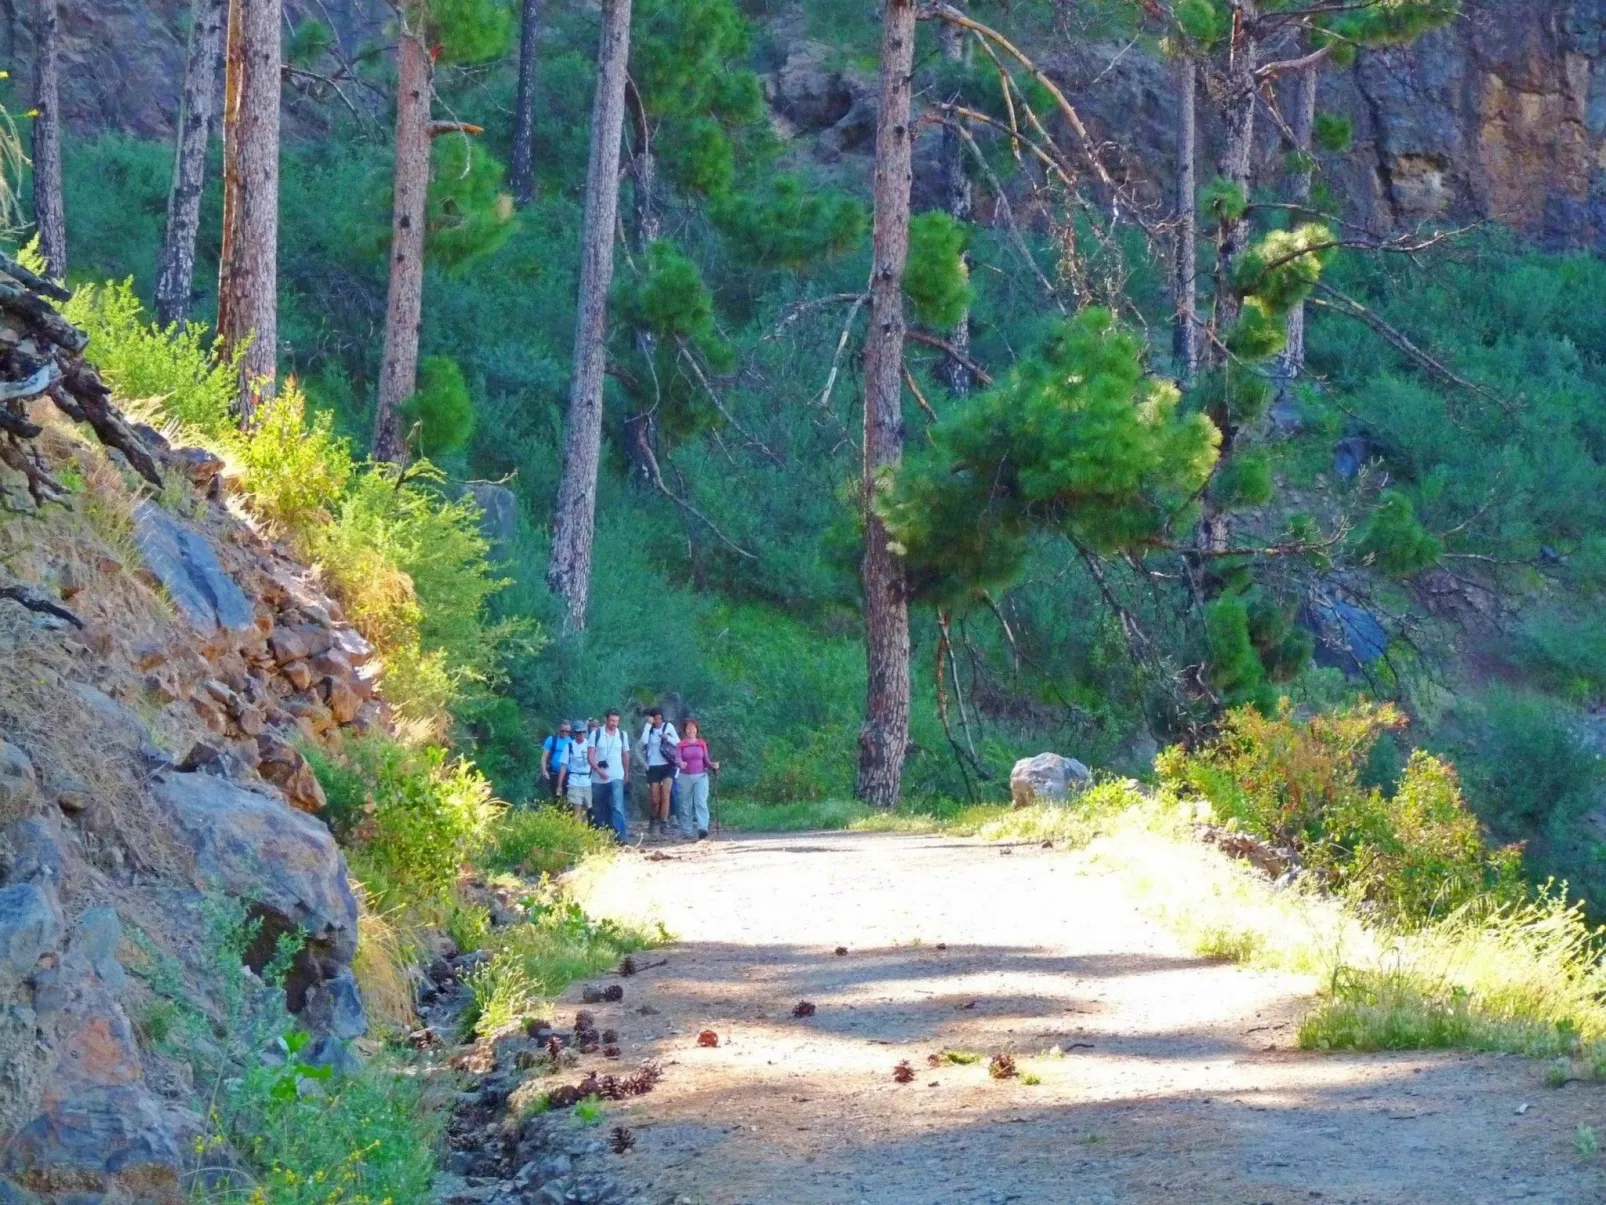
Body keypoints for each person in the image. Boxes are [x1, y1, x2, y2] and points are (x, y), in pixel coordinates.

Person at [674, 716, 719, 840]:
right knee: (685, 805)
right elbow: (677, 758)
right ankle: (687, 831)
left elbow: (706, 760)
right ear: (685, 730)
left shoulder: (701, 743)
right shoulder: (680, 744)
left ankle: (702, 828)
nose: (691, 731)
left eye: (693, 728)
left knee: (700, 801)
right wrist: (681, 763)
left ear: (696, 729)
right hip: (684, 777)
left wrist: (713, 765)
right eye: (688, 728)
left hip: (701, 776)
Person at [588, 709, 630, 842]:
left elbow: (625, 755)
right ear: (606, 719)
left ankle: (621, 837)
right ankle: (601, 836)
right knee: (599, 807)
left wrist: (626, 773)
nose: (614, 723)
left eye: (616, 721)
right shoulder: (596, 734)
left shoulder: (622, 735)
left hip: (616, 775)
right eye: (612, 720)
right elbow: (590, 756)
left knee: (618, 806)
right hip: (597, 778)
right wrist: (599, 771)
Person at [639, 708, 679, 837]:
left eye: (660, 718)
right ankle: (653, 819)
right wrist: (648, 725)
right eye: (655, 718)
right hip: (653, 766)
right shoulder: (649, 730)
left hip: (668, 765)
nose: (658, 721)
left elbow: (678, 742)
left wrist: (667, 737)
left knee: (666, 794)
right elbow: (644, 742)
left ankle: (664, 822)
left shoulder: (668, 726)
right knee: (655, 799)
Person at [557, 718, 591, 820]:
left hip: (587, 782)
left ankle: (584, 833)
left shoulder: (589, 744)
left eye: (583, 732)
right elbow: (563, 766)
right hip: (575, 780)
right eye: (578, 733)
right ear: (574, 733)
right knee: (577, 811)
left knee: (585, 813)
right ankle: (577, 833)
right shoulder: (569, 746)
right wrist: (559, 786)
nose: (581, 735)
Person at [539, 721, 572, 804]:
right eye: (562, 731)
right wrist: (544, 771)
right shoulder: (552, 740)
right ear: (559, 729)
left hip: (568, 775)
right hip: (553, 774)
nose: (565, 733)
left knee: (568, 798)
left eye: (567, 731)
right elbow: (544, 757)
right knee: (555, 797)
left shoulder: (572, 741)